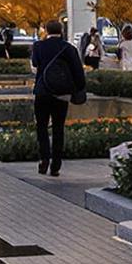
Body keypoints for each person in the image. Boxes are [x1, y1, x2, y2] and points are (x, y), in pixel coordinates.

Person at [29, 19, 88, 175]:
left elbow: (35, 64)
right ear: (61, 31)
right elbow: (78, 73)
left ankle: (44, 159)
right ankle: (56, 165)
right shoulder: (68, 48)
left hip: (42, 91)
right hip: (61, 94)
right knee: (58, 128)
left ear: (46, 31)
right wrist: (79, 89)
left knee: (41, 126)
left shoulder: (38, 46)